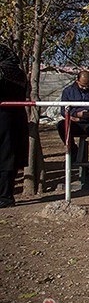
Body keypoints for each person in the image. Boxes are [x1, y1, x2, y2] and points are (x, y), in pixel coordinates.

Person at [57, 70, 89, 189]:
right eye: (82, 85)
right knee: (61, 125)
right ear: (77, 81)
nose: (85, 88)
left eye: (88, 85)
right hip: (76, 123)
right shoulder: (68, 91)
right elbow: (63, 110)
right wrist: (76, 115)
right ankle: (73, 150)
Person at [0, 45, 29, 208]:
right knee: (8, 157)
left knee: (4, 157)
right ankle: (6, 195)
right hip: (17, 117)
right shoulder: (20, 73)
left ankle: (4, 196)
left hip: (3, 117)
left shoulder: (2, 71)